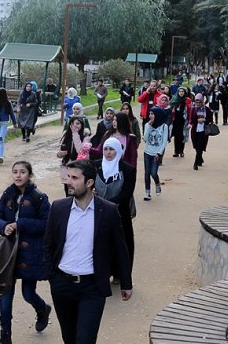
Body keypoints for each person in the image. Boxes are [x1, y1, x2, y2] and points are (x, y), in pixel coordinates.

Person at [43, 159, 132, 344]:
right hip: (62, 284)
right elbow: (48, 244)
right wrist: (50, 274)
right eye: (68, 177)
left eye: (74, 178)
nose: (68, 182)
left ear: (90, 182)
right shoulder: (59, 208)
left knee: (85, 343)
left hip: (92, 288)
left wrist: (126, 282)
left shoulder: (109, 211)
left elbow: (120, 248)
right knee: (69, 336)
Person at [0, 161, 53, 344]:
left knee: (28, 294)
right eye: (15, 172)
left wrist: (20, 224)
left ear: (30, 175)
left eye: (22, 172)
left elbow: (46, 224)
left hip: (30, 254)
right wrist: (4, 226)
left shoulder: (39, 197)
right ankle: (5, 337)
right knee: (5, 296)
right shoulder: (7, 194)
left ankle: (42, 309)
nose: (18, 175)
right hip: (9, 254)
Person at [92, 137, 136, 284]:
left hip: (119, 214)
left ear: (118, 151)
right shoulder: (96, 166)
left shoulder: (128, 169)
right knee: (100, 244)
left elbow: (127, 193)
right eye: (106, 149)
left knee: (121, 244)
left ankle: (119, 273)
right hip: (98, 213)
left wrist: (108, 204)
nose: (108, 153)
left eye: (111, 149)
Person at [142, 106, 169, 201]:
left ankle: (157, 183)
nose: (150, 116)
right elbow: (145, 139)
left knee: (153, 173)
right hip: (147, 152)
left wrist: (159, 153)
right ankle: (147, 192)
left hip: (156, 153)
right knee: (147, 173)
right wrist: (149, 126)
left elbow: (164, 141)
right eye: (149, 114)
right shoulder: (147, 125)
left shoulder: (164, 126)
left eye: (152, 114)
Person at [58, 116, 88, 196]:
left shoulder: (85, 138)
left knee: (76, 189)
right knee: (67, 189)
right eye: (73, 124)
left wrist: (75, 134)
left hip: (77, 167)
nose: (75, 126)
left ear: (82, 125)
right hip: (65, 166)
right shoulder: (66, 135)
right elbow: (59, 150)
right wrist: (59, 154)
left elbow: (80, 151)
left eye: (77, 124)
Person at [0, 88, 17, 164]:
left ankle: (1, 156)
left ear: (2, 94)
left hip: (4, 122)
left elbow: (11, 113)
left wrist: (14, 123)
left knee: (1, 138)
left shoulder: (8, 103)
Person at [190, 94, 214, 170]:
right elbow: (191, 119)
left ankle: (195, 163)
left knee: (200, 146)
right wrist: (194, 122)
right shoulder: (193, 109)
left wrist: (204, 120)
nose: (198, 104)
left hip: (204, 131)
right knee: (196, 147)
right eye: (196, 102)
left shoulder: (207, 109)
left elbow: (210, 119)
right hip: (195, 130)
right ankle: (200, 159)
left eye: (199, 102)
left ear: (202, 102)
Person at [170, 87, 191, 157]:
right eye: (180, 91)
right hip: (176, 120)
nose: (181, 93)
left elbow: (189, 111)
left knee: (182, 136)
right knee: (176, 136)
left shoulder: (187, 100)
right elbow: (170, 107)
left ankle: (181, 151)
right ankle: (176, 151)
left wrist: (189, 121)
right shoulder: (175, 99)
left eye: (182, 91)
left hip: (184, 120)